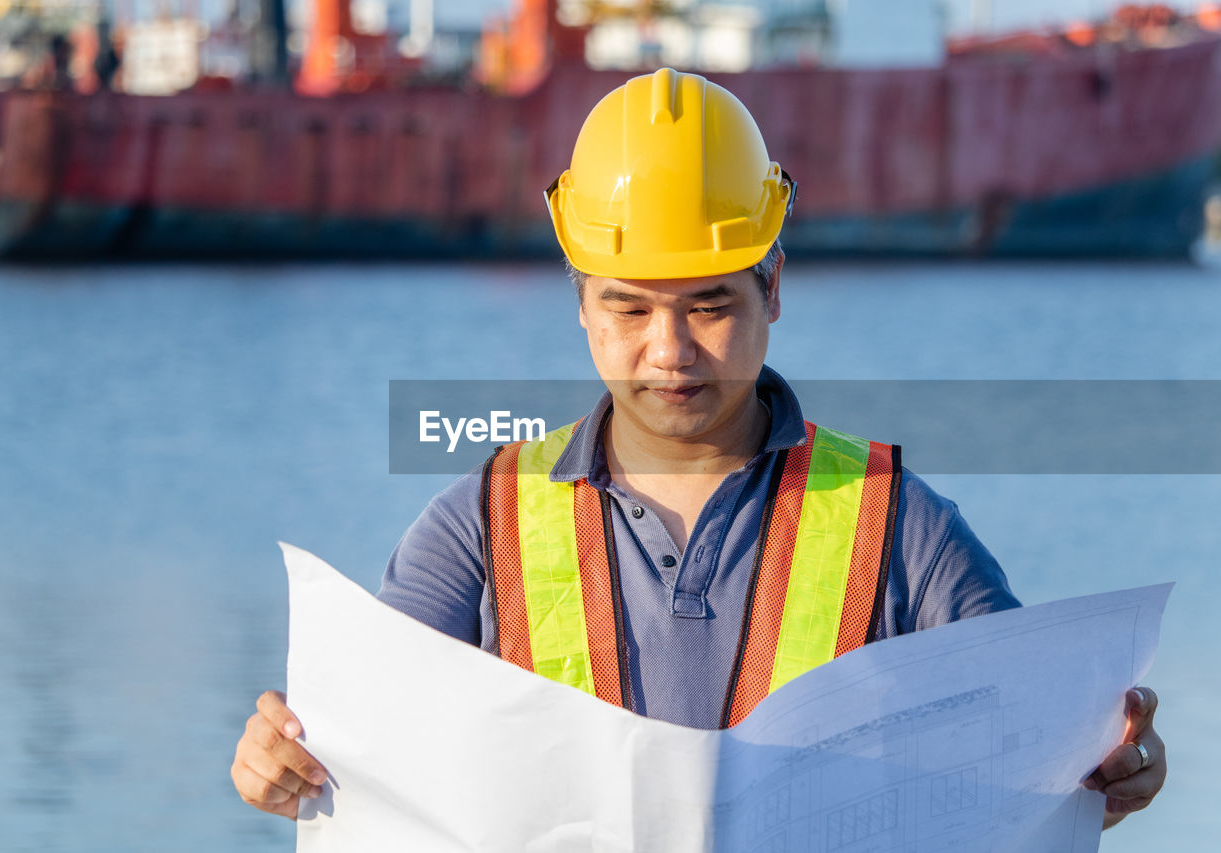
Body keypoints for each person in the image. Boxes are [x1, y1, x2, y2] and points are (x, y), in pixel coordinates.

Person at [231, 67, 1165, 831]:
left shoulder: (898, 521)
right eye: (628, 308)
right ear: (580, 300)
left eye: (711, 305)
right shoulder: (483, 522)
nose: (669, 351)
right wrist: (278, 761)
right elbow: (363, 745)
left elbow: (1030, 743)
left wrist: (1111, 761)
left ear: (774, 287)